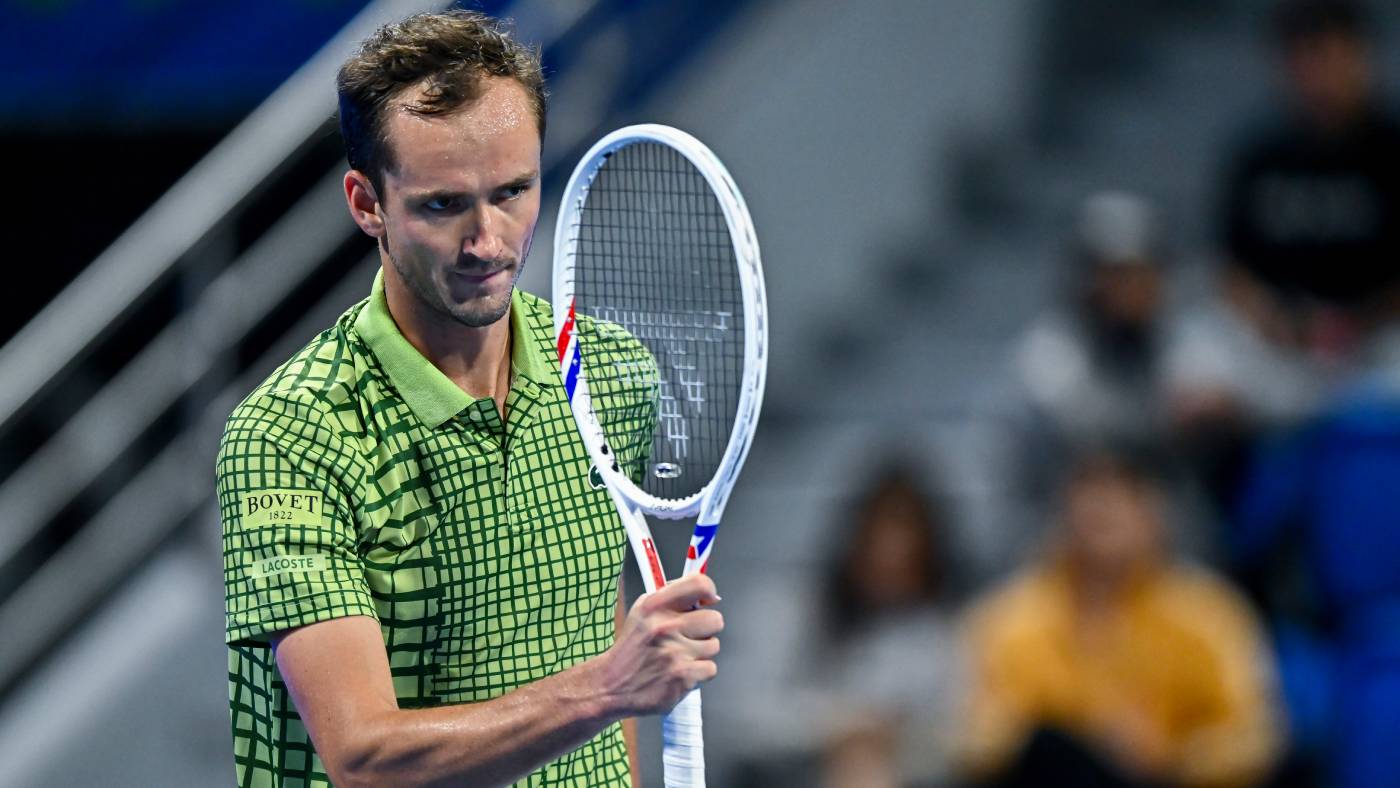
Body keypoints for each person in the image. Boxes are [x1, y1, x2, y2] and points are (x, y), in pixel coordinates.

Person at [215, 11, 722, 787]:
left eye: (514, 191)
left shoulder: (609, 374)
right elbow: (364, 758)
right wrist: (608, 686)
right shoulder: (289, 434)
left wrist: (614, 702)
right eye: (443, 205)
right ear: (366, 203)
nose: (489, 241)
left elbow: (595, 631)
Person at [956, 450, 1280, 788]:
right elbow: (974, 736)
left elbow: (1254, 736)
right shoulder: (1009, 618)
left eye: (1122, 495)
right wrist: (1088, 736)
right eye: (1090, 493)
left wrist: (1170, 753)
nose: (1102, 509)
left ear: (1154, 513)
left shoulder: (1207, 615)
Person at [1219, 0, 1400, 358]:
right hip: (1281, 337)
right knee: (1201, 357)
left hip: (1383, 334)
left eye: (1327, 56)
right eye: (1302, 59)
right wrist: (1277, 323)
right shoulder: (1259, 156)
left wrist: (1356, 325)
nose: (1316, 76)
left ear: (1361, 57)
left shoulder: (1391, 150)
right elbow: (1234, 272)